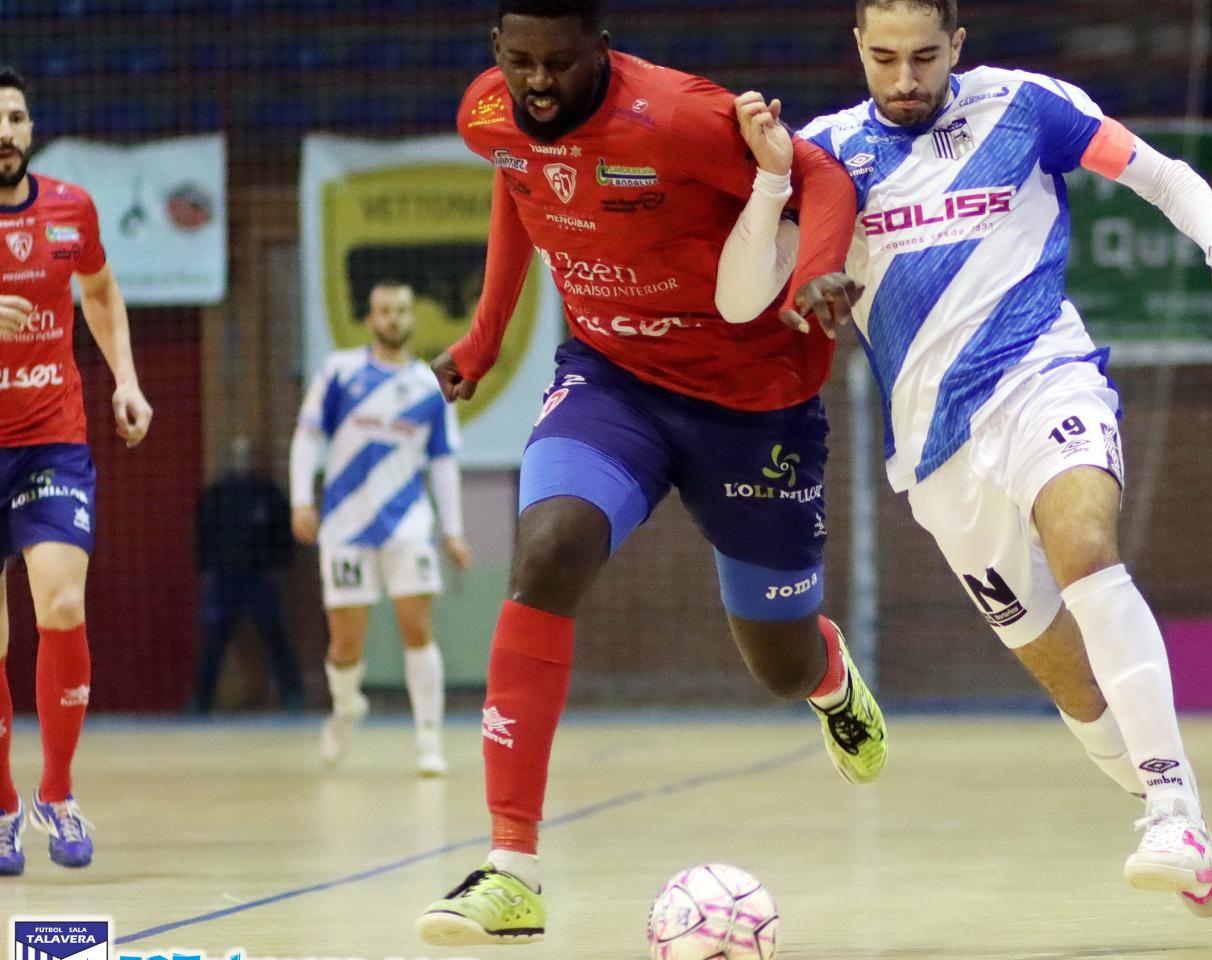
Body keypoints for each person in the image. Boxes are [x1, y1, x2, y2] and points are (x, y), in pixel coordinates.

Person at [721, 0, 1212, 917]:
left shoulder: (1025, 106)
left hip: (1042, 377)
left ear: (958, 45)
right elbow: (745, 299)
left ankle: (1174, 815)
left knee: (1086, 549)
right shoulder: (826, 153)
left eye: (925, 57)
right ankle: (1173, 814)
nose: (905, 79)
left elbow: (1161, 173)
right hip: (937, 454)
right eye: (884, 58)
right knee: (1066, 675)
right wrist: (770, 181)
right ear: (857, 49)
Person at [413, 1, 875, 945]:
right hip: (611, 378)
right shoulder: (490, 113)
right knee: (548, 550)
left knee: (779, 665)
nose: (538, 83)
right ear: (496, 52)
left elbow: (823, 178)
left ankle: (829, 676)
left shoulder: (678, 116)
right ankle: (511, 869)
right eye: (518, 60)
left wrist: (817, 272)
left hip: (753, 403)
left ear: (603, 49)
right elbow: (519, 185)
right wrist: (485, 338)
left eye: (559, 62)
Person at [0, 66, 154, 873]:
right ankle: (0, 805)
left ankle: (55, 793)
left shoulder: (71, 207)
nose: (5, 134)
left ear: (30, 129)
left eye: (15, 118)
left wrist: (126, 380)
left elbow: (99, 291)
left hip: (50, 438)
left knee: (61, 604)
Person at [289, 281, 472, 777]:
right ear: (370, 319)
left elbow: (443, 462)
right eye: (385, 311)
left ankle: (429, 739)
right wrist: (301, 499)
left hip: (408, 524)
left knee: (418, 628)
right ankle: (346, 707)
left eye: (402, 310)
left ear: (413, 318)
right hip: (344, 526)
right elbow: (307, 436)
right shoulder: (339, 371)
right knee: (345, 644)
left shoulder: (432, 385)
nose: (393, 318)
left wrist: (453, 530)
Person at [187, 434, 304, 714]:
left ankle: (292, 695)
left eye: (247, 454)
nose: (242, 459)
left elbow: (285, 537)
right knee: (214, 641)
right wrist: (206, 570)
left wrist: (278, 566)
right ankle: (201, 701)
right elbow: (202, 535)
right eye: (237, 454)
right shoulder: (217, 494)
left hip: (259, 579)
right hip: (224, 580)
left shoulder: (268, 494)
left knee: (275, 636)